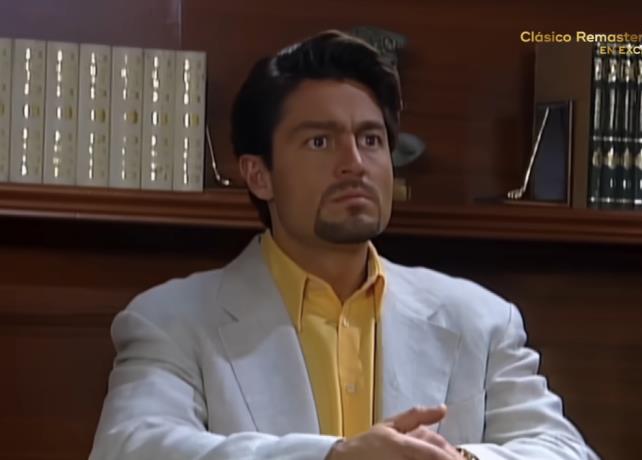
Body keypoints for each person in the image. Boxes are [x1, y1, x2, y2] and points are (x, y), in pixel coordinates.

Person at [89, 30, 598, 460]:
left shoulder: (480, 321)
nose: (354, 163)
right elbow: (129, 447)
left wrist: (457, 458)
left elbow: (565, 450)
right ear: (259, 174)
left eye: (371, 140)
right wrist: (335, 456)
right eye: (320, 141)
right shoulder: (172, 320)